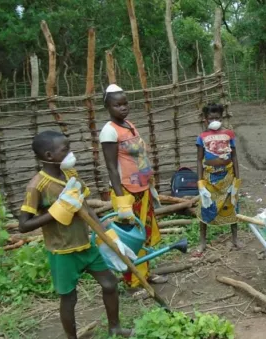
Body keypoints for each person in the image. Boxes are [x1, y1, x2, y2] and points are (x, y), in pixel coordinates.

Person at [18, 131, 133, 338]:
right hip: (62, 252)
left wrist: (105, 233)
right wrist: (56, 210)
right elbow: (23, 225)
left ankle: (115, 327)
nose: (71, 152)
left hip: (85, 245)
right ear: (49, 155)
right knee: (69, 298)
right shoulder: (37, 186)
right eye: (65, 149)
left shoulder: (71, 175)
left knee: (110, 284)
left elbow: (86, 207)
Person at [99, 84, 167, 296]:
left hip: (142, 187)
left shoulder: (129, 124)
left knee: (144, 234)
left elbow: (139, 157)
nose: (122, 108)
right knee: (130, 239)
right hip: (127, 192)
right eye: (117, 105)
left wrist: (150, 184)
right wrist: (121, 201)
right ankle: (133, 284)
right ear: (108, 107)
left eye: (125, 103)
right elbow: (111, 167)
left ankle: (146, 274)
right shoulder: (109, 131)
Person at [195, 103, 241, 256]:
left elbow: (234, 156)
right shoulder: (201, 137)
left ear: (221, 118)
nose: (214, 120)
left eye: (217, 117)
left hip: (227, 176)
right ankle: (202, 241)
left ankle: (235, 238)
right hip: (209, 177)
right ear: (205, 120)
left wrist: (237, 178)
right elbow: (199, 159)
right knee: (205, 207)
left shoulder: (229, 134)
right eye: (210, 118)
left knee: (232, 205)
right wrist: (200, 182)